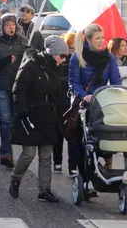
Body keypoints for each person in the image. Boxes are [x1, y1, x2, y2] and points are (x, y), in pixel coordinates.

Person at [9, 36, 68, 203]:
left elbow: (56, 92)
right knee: (28, 153)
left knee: (46, 155)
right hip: (30, 115)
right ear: (52, 53)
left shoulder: (57, 68)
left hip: (49, 116)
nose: (63, 60)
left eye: (65, 56)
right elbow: (18, 89)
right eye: (61, 56)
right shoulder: (32, 65)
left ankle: (44, 190)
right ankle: (15, 177)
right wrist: (22, 112)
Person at [68, 24, 121, 176]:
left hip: (103, 101)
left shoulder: (108, 57)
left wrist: (116, 93)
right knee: (82, 138)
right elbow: (73, 82)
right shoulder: (78, 56)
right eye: (98, 38)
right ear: (89, 40)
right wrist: (85, 95)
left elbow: (116, 80)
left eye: (102, 37)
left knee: (106, 133)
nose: (101, 41)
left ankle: (106, 164)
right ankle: (83, 172)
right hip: (85, 103)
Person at [0, 13, 28, 169]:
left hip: (18, 86)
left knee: (16, 119)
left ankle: (21, 152)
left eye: (13, 24)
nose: (11, 27)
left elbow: (30, 61)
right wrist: (1, 62)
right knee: (5, 119)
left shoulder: (23, 41)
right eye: (8, 24)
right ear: (2, 26)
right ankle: (6, 153)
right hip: (1, 85)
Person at [52, 31, 76, 174]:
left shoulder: (78, 60)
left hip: (73, 102)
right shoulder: (59, 60)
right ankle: (57, 161)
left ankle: (73, 166)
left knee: (73, 134)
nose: (72, 51)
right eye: (70, 47)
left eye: (74, 48)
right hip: (59, 100)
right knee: (58, 133)